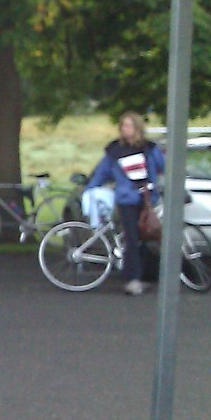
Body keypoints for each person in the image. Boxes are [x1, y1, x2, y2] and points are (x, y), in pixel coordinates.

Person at [86, 111, 163, 296]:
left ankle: (141, 276)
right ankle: (131, 280)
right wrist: (90, 188)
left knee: (145, 236)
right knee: (132, 238)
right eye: (123, 126)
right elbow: (102, 172)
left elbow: (162, 165)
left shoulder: (149, 148)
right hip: (127, 199)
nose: (124, 129)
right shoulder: (114, 150)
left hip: (147, 198)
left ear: (137, 127)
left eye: (128, 125)